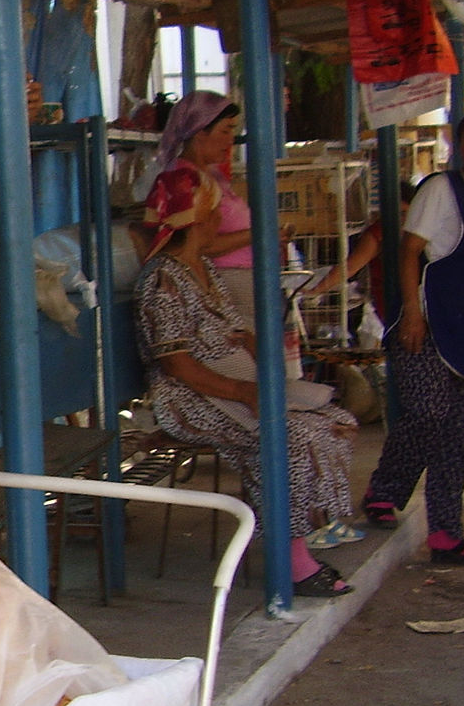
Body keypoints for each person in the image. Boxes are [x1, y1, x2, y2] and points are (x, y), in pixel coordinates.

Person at [134, 166, 357, 597]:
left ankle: (299, 540)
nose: (221, 218)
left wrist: (265, 366)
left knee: (333, 421)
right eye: (215, 210)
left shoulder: (201, 267)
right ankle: (290, 564)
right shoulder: (162, 280)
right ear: (199, 220)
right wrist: (244, 391)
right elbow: (178, 365)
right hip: (191, 397)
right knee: (289, 438)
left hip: (235, 383)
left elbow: (235, 331)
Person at [362, 110, 464, 563]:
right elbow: (410, 250)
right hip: (428, 325)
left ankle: (447, 536)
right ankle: (384, 490)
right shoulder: (441, 190)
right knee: (426, 414)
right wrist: (412, 312)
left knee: (460, 435)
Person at [150, 90, 294, 326]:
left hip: (247, 278)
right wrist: (260, 234)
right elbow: (198, 245)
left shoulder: (211, 175)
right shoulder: (185, 179)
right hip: (229, 280)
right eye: (225, 130)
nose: (230, 141)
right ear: (199, 131)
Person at [304, 180, 418, 318]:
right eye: (399, 213)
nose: (403, 219)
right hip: (395, 302)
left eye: (406, 213)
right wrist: (317, 290)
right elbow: (350, 267)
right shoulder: (381, 232)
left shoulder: (417, 230)